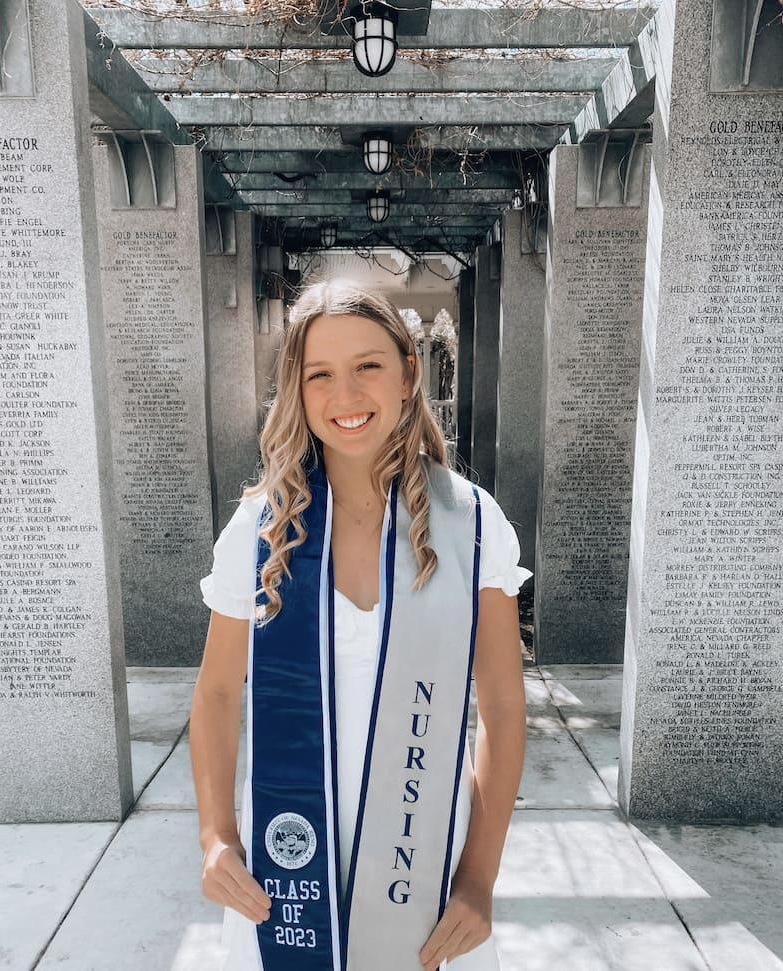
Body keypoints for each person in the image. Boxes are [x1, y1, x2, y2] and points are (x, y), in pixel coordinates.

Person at [191, 279, 530, 971]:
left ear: (409, 372)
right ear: (297, 389)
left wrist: (478, 877)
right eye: (320, 374)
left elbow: (500, 703)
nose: (345, 396)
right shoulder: (259, 531)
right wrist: (215, 836)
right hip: (287, 869)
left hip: (424, 858)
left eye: (367, 366)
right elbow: (219, 694)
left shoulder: (470, 523)